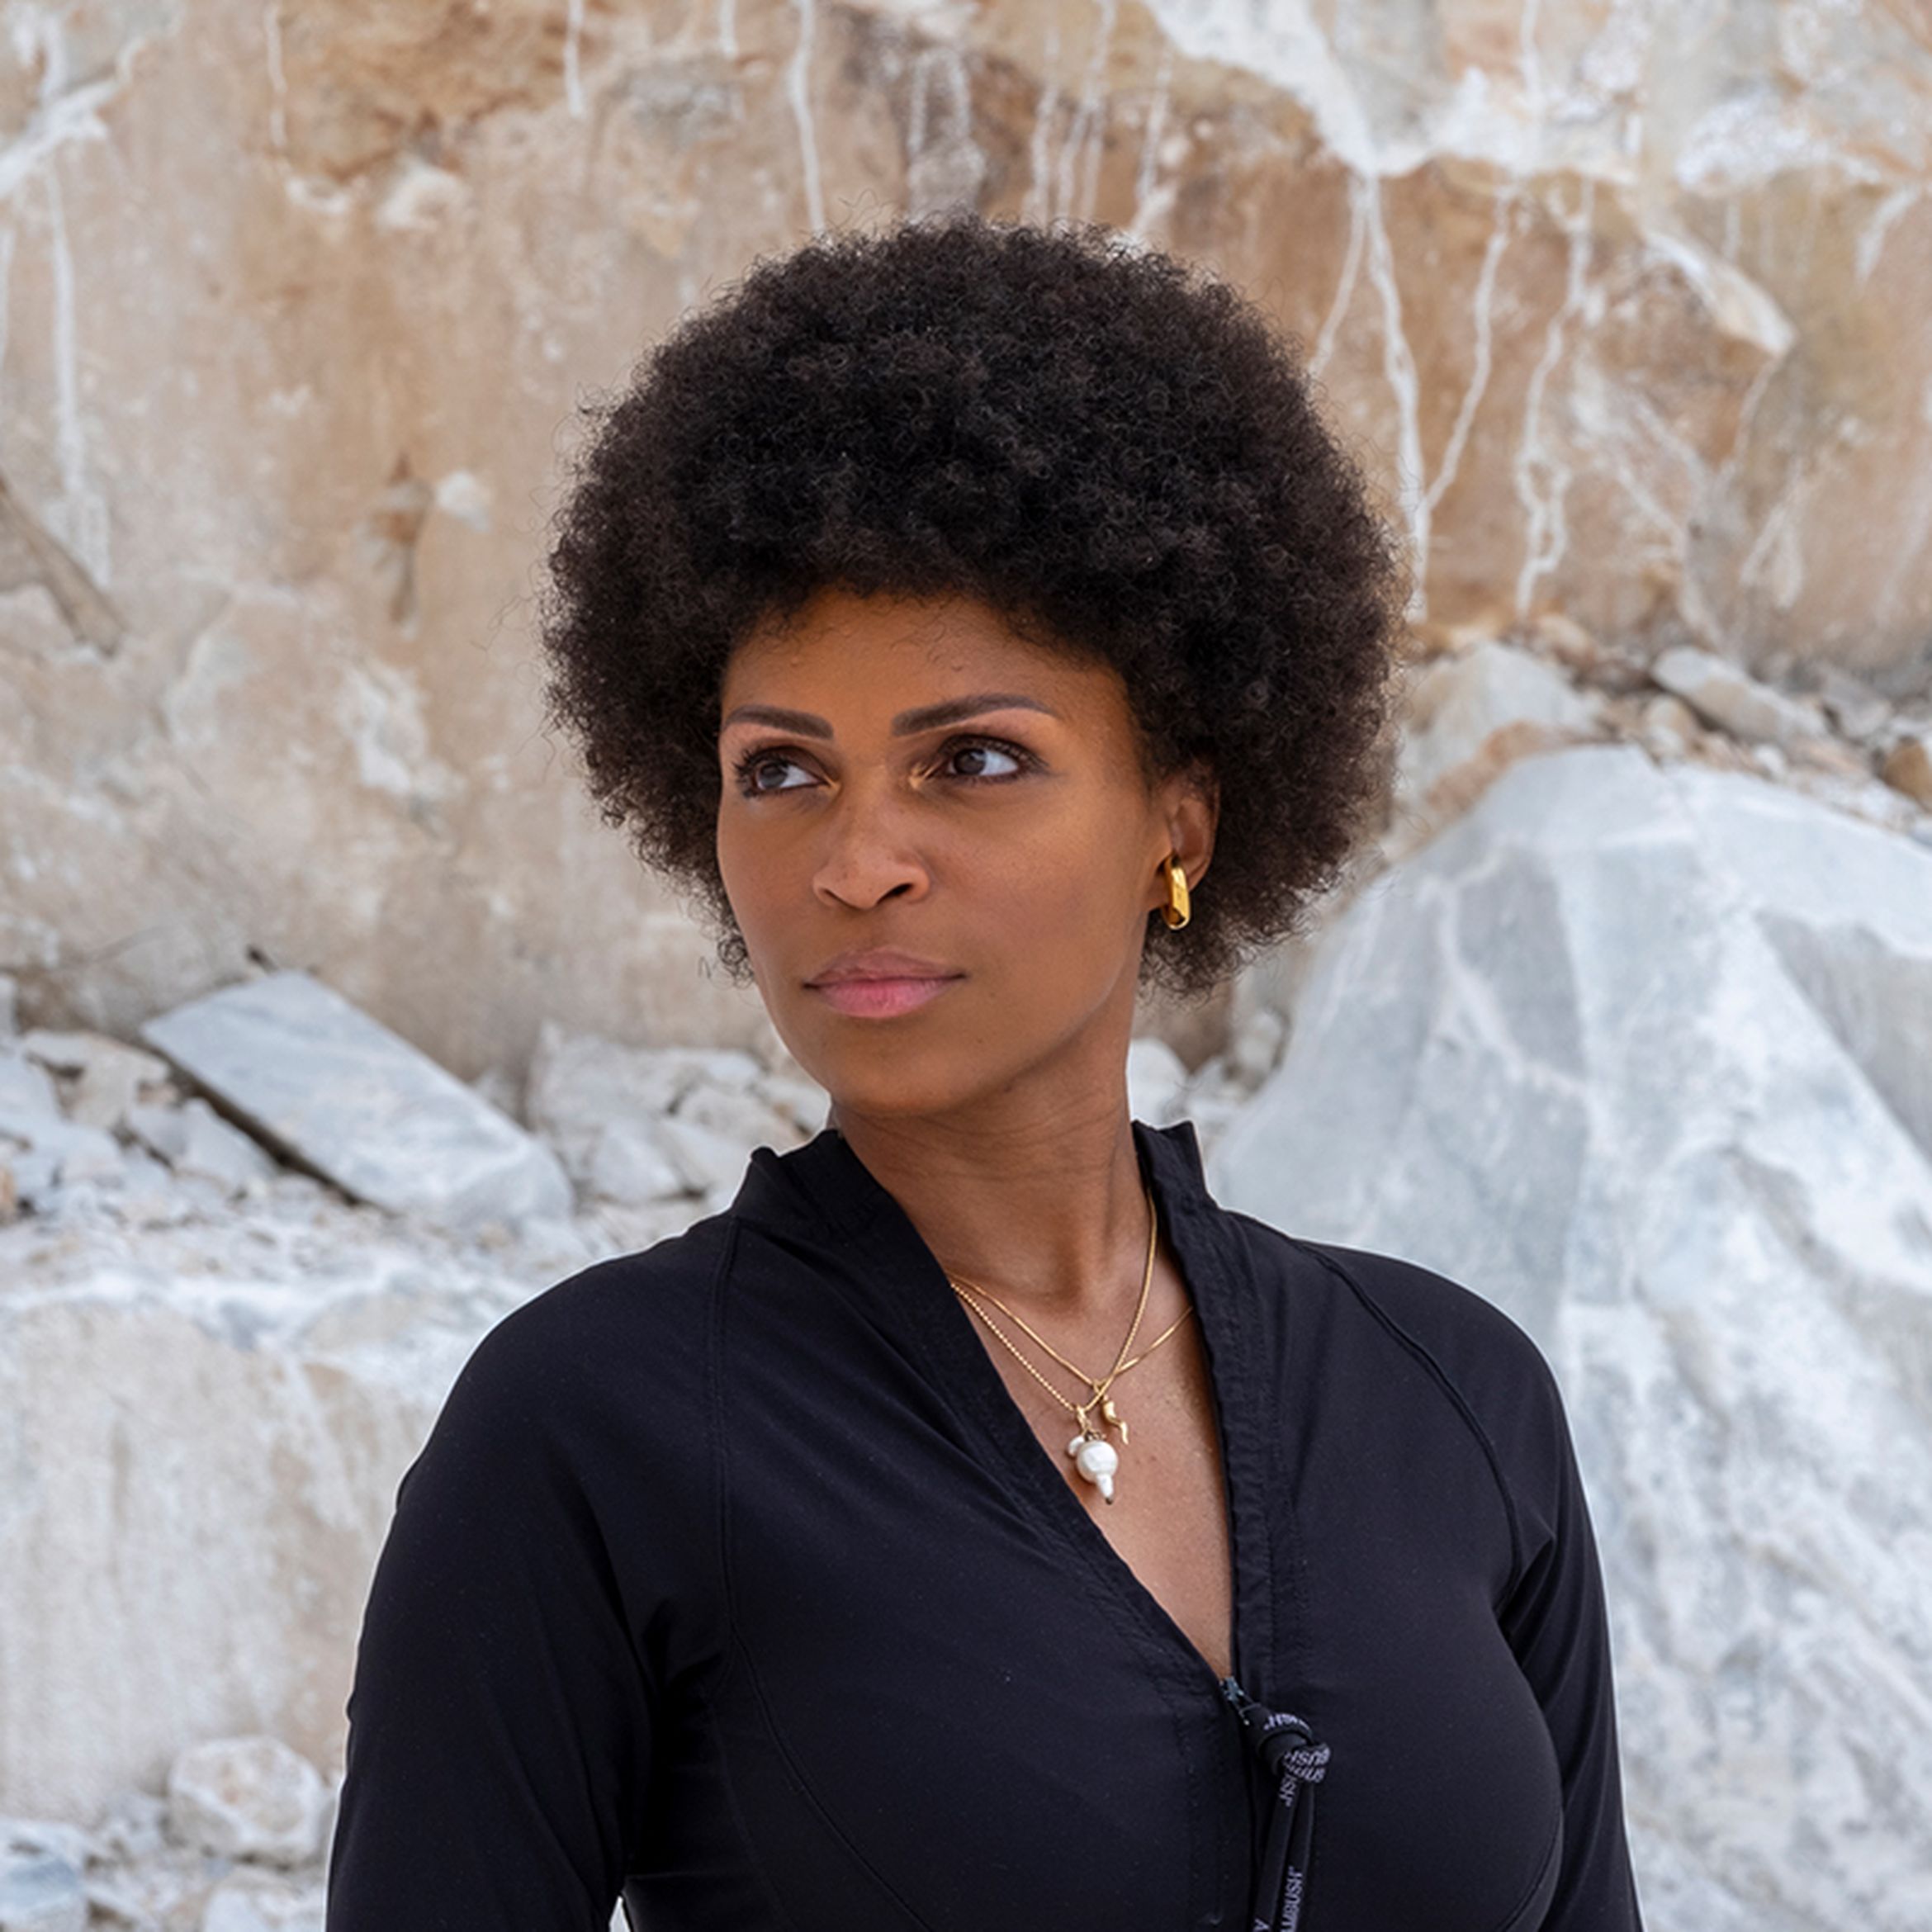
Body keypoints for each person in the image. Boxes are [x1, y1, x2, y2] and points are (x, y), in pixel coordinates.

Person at [324, 214, 1644, 1932]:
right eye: (782, 770)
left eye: (978, 758)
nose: (858, 858)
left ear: (1181, 812)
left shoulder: (1455, 1402)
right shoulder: (592, 1430)